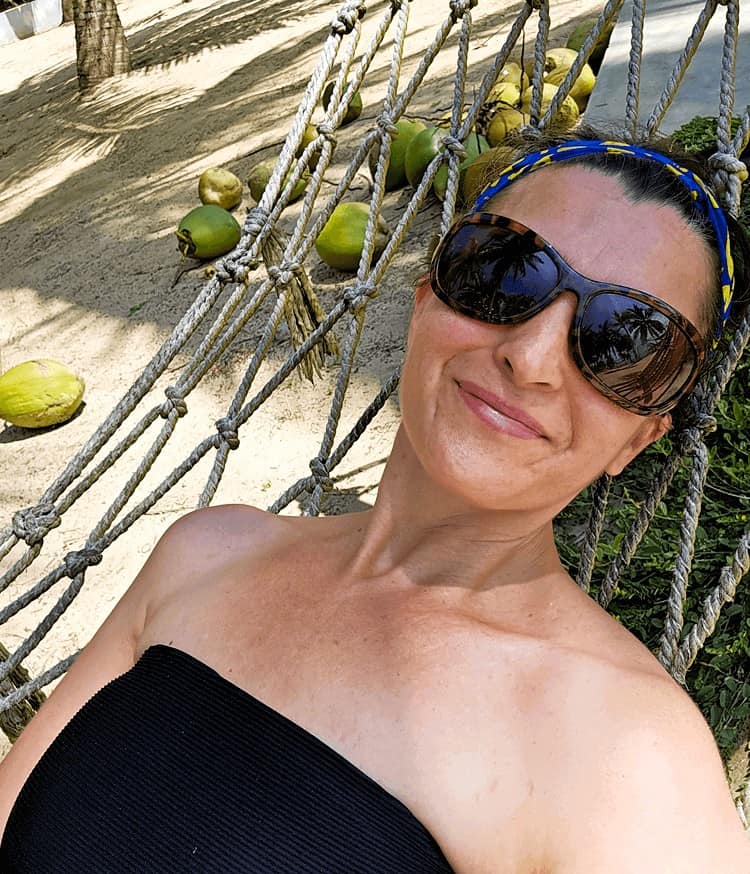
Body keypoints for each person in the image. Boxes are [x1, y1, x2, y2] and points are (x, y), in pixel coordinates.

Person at [1, 127, 750, 873]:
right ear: (428, 294)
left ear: (640, 438)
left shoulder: (628, 757)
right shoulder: (203, 552)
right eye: (503, 271)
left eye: (625, 339)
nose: (530, 358)